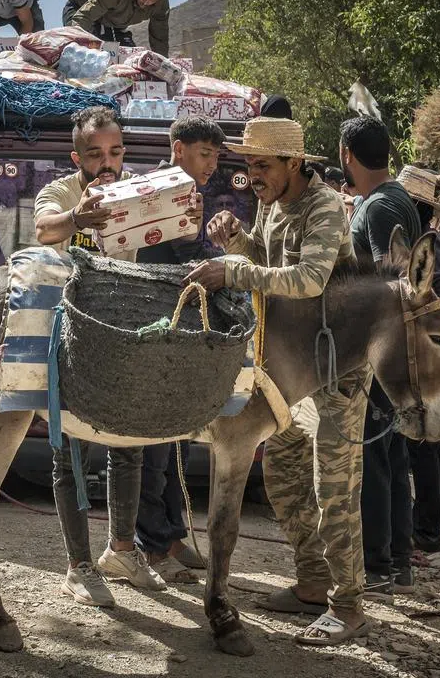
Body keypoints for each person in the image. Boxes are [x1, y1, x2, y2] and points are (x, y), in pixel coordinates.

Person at [187, 117, 369, 647]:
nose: (253, 175)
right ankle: (313, 582)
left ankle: (350, 606)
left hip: (338, 367)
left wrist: (232, 270)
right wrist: (240, 242)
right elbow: (269, 264)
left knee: (334, 488)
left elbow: (310, 281)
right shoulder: (271, 202)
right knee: (284, 475)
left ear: (295, 163)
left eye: (262, 165)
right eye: (248, 165)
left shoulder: (326, 207)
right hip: (289, 369)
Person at [33, 106, 169, 607]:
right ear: (78, 157)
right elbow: (45, 227)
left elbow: (169, 226)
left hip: (123, 330)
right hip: (71, 332)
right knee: (69, 452)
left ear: (123, 154)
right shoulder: (65, 191)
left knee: (127, 444)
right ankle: (78, 566)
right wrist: (77, 219)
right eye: (94, 154)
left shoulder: (135, 189)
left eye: (113, 152)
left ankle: (122, 551)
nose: (105, 163)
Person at [134, 117, 223, 583]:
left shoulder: (191, 194)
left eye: (215, 155)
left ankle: (171, 534)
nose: (212, 163)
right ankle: (152, 546)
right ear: (178, 149)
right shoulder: (156, 190)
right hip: (151, 324)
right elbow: (165, 258)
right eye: (205, 153)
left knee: (176, 442)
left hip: (180, 327)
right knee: (151, 443)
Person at [338, 116, 421, 602]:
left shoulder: (378, 208)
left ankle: (380, 564)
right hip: (389, 348)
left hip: (378, 350)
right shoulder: (394, 199)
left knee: (373, 456)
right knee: (389, 456)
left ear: (348, 153)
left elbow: (392, 283)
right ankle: (397, 563)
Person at [395, 167, 440, 567]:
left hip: (431, 352)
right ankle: (436, 521)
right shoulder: (416, 240)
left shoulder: (429, 242)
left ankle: (429, 536)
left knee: (426, 443)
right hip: (424, 350)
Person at [62, 0, 173, 55]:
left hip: (111, 22)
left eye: (152, 0)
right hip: (81, 9)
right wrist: (79, 46)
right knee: (89, 52)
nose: (146, 2)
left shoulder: (161, 4)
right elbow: (84, 17)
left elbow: (160, 36)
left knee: (127, 57)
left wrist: (162, 66)